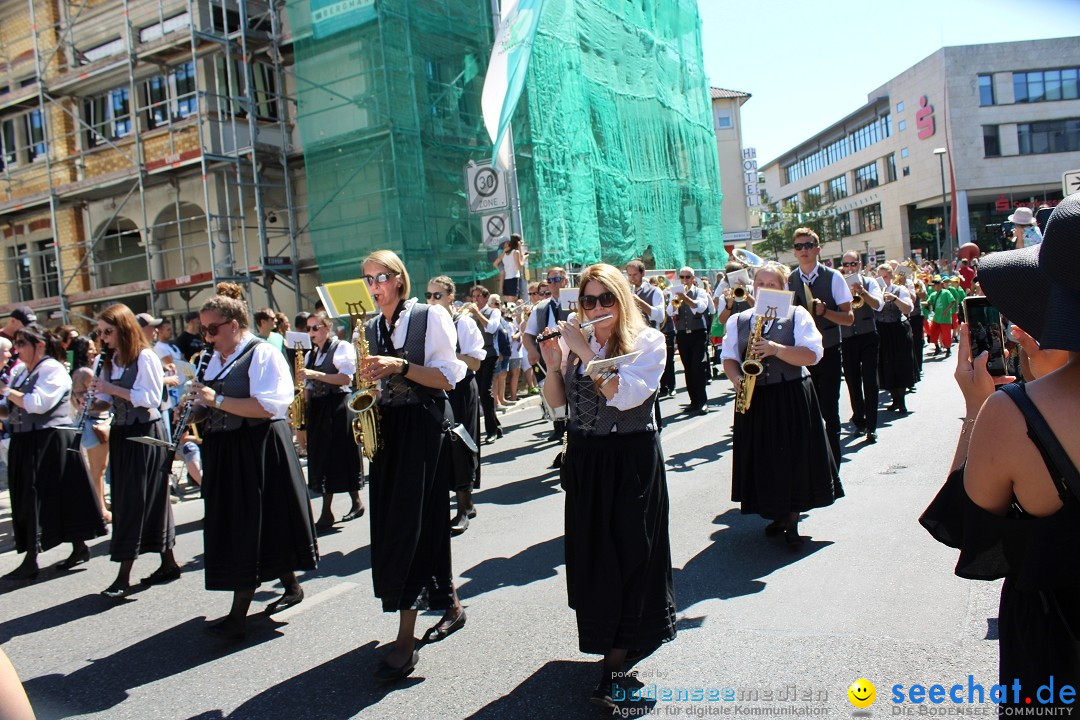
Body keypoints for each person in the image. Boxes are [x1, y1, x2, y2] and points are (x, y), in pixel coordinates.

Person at [921, 193, 1080, 709]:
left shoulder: (1013, 415)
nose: (1019, 330)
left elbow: (968, 531)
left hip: (1057, 650)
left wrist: (976, 410)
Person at [538, 263, 676, 708]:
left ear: (622, 300)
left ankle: (615, 664)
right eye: (588, 301)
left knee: (633, 554)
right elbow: (557, 405)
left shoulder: (648, 342)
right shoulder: (577, 343)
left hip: (631, 458)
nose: (596, 309)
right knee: (595, 556)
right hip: (586, 458)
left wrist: (584, 350)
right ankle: (607, 646)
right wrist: (555, 365)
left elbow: (625, 395)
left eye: (606, 300)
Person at [360, 250, 467, 683]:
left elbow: (448, 377)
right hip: (390, 432)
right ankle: (451, 604)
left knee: (411, 528)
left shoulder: (430, 317)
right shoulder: (370, 327)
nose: (374, 286)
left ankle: (406, 638)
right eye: (367, 279)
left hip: (424, 429)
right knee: (400, 526)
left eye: (381, 277)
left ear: (399, 279)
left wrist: (400, 366)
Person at [188, 285, 317, 639]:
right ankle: (290, 585)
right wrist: (193, 411)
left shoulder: (262, 354)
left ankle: (238, 615)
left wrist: (216, 400)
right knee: (253, 524)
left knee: (250, 524)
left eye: (212, 329)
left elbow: (268, 407)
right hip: (226, 449)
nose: (207, 336)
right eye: (203, 330)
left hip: (256, 447)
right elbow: (214, 403)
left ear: (233, 325)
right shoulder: (212, 357)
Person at [723, 261, 842, 546]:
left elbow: (813, 355)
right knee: (764, 458)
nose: (765, 289)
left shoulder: (797, 315)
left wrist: (776, 349)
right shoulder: (739, 319)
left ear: (784, 288)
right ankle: (775, 512)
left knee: (792, 458)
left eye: (772, 284)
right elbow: (729, 358)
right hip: (755, 397)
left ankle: (792, 518)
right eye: (760, 284)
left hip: (790, 394)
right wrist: (738, 379)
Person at [0, 324, 106, 580]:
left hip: (51, 439)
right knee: (33, 497)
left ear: (40, 345)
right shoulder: (19, 372)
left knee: (47, 496)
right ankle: (78, 547)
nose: (17, 349)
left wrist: (7, 392)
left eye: (22, 343)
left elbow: (38, 404)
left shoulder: (53, 369)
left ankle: (32, 559)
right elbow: (7, 408)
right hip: (26, 441)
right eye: (16, 344)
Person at [94, 303, 179, 599]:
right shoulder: (109, 359)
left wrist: (111, 389)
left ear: (124, 329)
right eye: (101, 332)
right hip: (122, 432)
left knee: (137, 500)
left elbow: (150, 399)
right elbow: (107, 400)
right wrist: (90, 400)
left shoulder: (145, 357)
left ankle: (123, 576)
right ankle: (168, 562)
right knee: (137, 498)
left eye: (108, 331)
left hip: (144, 434)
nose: (103, 338)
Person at [787, 228, 854, 465]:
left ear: (817, 248)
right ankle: (813, 465)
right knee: (804, 412)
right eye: (799, 246)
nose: (803, 250)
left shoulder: (833, 276)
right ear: (794, 252)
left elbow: (848, 318)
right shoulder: (789, 280)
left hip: (830, 351)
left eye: (808, 245)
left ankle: (834, 463)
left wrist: (827, 312)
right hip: (801, 354)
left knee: (829, 410)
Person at [427, 275, 484, 534]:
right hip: (437, 387)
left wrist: (449, 354)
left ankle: (464, 507)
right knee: (442, 448)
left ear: (450, 296)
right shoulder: (427, 323)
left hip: (461, 388)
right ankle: (456, 503)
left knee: (461, 443)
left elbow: (475, 363)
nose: (431, 301)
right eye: (428, 296)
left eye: (437, 295)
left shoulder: (465, 323)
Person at [302, 311, 363, 531]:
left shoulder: (341, 348)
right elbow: (308, 386)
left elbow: (346, 378)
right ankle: (328, 510)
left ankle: (353, 502)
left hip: (338, 405)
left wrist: (315, 375)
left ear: (327, 328)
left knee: (342, 453)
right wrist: (302, 409)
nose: (311, 333)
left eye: (315, 328)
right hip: (319, 408)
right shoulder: (311, 354)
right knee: (323, 457)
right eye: (308, 329)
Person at [524, 268, 571, 451]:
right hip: (551, 358)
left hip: (574, 357)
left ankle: (569, 443)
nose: (553, 283)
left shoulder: (576, 300)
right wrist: (531, 350)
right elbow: (528, 335)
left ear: (566, 281)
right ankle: (560, 431)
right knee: (554, 397)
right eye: (549, 280)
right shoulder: (540, 308)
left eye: (557, 279)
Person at [839, 252, 884, 443]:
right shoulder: (839, 284)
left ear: (859, 264)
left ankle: (872, 427)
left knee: (870, 381)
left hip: (868, 336)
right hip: (848, 338)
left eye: (853, 263)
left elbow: (879, 305)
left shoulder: (870, 281)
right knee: (852, 381)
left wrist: (863, 292)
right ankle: (860, 420)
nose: (850, 267)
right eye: (846, 264)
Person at [70, 336, 111, 523]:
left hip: (84, 422)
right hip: (94, 423)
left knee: (94, 470)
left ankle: (99, 505)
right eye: (90, 349)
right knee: (98, 470)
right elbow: (92, 399)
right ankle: (100, 509)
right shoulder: (86, 372)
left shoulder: (74, 371)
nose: (94, 352)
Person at [667, 267, 710, 414]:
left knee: (698, 367)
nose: (684, 280)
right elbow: (669, 312)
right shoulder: (675, 293)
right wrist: (674, 300)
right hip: (682, 334)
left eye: (687, 277)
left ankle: (703, 401)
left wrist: (686, 298)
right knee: (688, 368)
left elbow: (700, 308)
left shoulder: (701, 292)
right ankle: (694, 401)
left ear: (693, 278)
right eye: (682, 277)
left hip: (698, 333)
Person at [875, 266, 915, 414]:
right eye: (880, 278)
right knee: (886, 365)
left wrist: (894, 298)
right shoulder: (875, 292)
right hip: (882, 330)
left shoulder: (899, 289)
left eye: (885, 277)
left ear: (891, 276)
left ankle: (902, 401)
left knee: (900, 364)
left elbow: (908, 309)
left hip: (898, 329)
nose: (883, 281)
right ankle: (894, 399)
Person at [464, 285, 502, 442]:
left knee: (485, 392)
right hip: (475, 357)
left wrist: (477, 313)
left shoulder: (494, 311)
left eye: (479, 296)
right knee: (479, 392)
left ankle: (491, 431)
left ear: (486, 298)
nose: (476, 299)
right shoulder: (469, 315)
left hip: (489, 354)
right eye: (474, 296)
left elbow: (492, 328)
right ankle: (496, 426)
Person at [925, 277, 957, 357]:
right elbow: (928, 302)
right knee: (933, 333)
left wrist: (946, 311)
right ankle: (937, 347)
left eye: (934, 285)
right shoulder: (933, 294)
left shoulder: (946, 292)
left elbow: (952, 301)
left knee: (946, 335)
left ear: (939, 285)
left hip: (945, 318)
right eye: (932, 286)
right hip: (936, 318)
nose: (933, 287)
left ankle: (948, 349)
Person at [492, 234, 528, 301]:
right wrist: (524, 258)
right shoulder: (516, 252)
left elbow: (495, 263)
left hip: (506, 279)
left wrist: (502, 270)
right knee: (512, 302)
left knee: (508, 302)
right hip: (513, 278)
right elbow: (519, 267)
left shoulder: (504, 253)